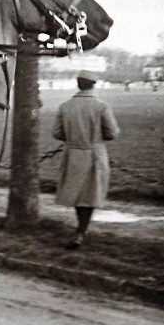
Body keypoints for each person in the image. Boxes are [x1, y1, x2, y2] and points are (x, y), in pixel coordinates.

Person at [52, 70, 120, 249]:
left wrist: (73, 137)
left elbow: (57, 133)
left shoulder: (65, 106)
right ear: (93, 84)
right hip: (93, 154)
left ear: (78, 84)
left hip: (73, 155)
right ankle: (80, 232)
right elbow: (112, 133)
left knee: (77, 194)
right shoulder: (101, 106)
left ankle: (79, 230)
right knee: (89, 194)